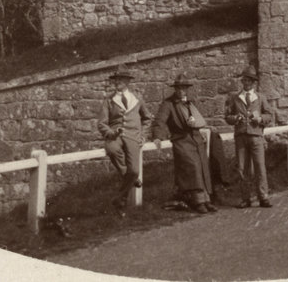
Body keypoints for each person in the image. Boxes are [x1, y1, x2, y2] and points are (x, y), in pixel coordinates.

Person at [153, 74, 218, 214]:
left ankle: (207, 200)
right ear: (175, 89)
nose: (181, 90)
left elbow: (198, 119)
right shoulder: (168, 103)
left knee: (202, 168)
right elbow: (159, 121)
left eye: (184, 88)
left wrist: (205, 127)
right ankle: (198, 202)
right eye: (179, 88)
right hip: (181, 140)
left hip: (196, 139)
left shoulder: (190, 102)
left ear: (187, 89)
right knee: (193, 167)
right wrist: (157, 137)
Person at [98, 65, 152, 209]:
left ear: (128, 81)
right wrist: (112, 133)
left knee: (134, 171)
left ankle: (120, 197)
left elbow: (147, 118)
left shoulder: (137, 99)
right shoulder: (109, 100)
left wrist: (143, 135)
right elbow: (102, 123)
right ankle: (130, 178)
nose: (117, 82)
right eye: (115, 80)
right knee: (112, 149)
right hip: (115, 136)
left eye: (120, 79)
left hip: (133, 136)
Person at [224, 65, 274, 208]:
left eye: (249, 81)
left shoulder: (260, 97)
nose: (247, 83)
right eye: (245, 80)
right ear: (242, 81)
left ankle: (263, 197)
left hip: (256, 136)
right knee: (242, 168)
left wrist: (260, 119)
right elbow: (227, 116)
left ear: (254, 82)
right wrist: (235, 118)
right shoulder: (235, 98)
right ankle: (246, 198)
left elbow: (269, 115)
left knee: (260, 167)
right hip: (241, 137)